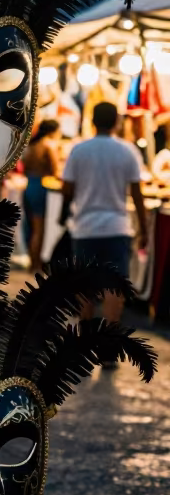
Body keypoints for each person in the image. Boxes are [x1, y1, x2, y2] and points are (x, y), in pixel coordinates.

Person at [62, 102, 147, 332]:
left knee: (85, 285)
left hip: (85, 227)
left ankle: (87, 337)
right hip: (117, 227)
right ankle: (109, 342)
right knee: (114, 286)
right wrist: (145, 230)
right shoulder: (128, 151)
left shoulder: (79, 150)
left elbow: (67, 188)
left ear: (92, 121)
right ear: (117, 122)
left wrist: (64, 214)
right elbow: (138, 194)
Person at [21, 119, 60, 271]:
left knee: (30, 227)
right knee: (39, 228)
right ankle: (36, 264)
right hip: (40, 186)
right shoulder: (48, 146)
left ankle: (32, 262)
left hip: (29, 185)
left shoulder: (32, 145)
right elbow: (55, 171)